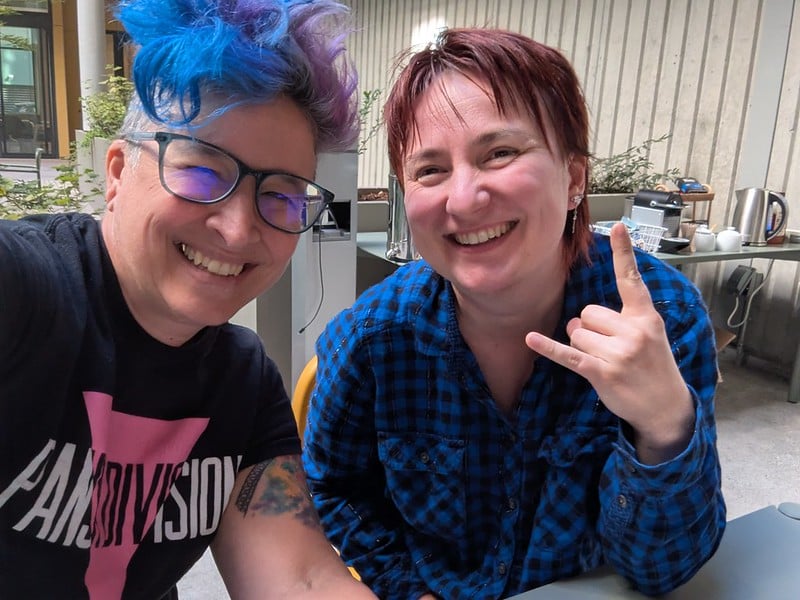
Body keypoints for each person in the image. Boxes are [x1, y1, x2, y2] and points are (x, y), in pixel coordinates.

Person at [302, 28, 726, 599]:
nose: (464, 198)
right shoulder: (372, 340)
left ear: (573, 179)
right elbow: (334, 487)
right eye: (430, 170)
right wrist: (408, 591)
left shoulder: (661, 319)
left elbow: (664, 572)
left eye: (499, 153)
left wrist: (665, 425)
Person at [0, 1, 378, 598]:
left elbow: (300, 578)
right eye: (202, 172)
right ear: (118, 172)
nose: (236, 229)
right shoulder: (26, 291)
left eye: (281, 197)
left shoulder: (241, 382)